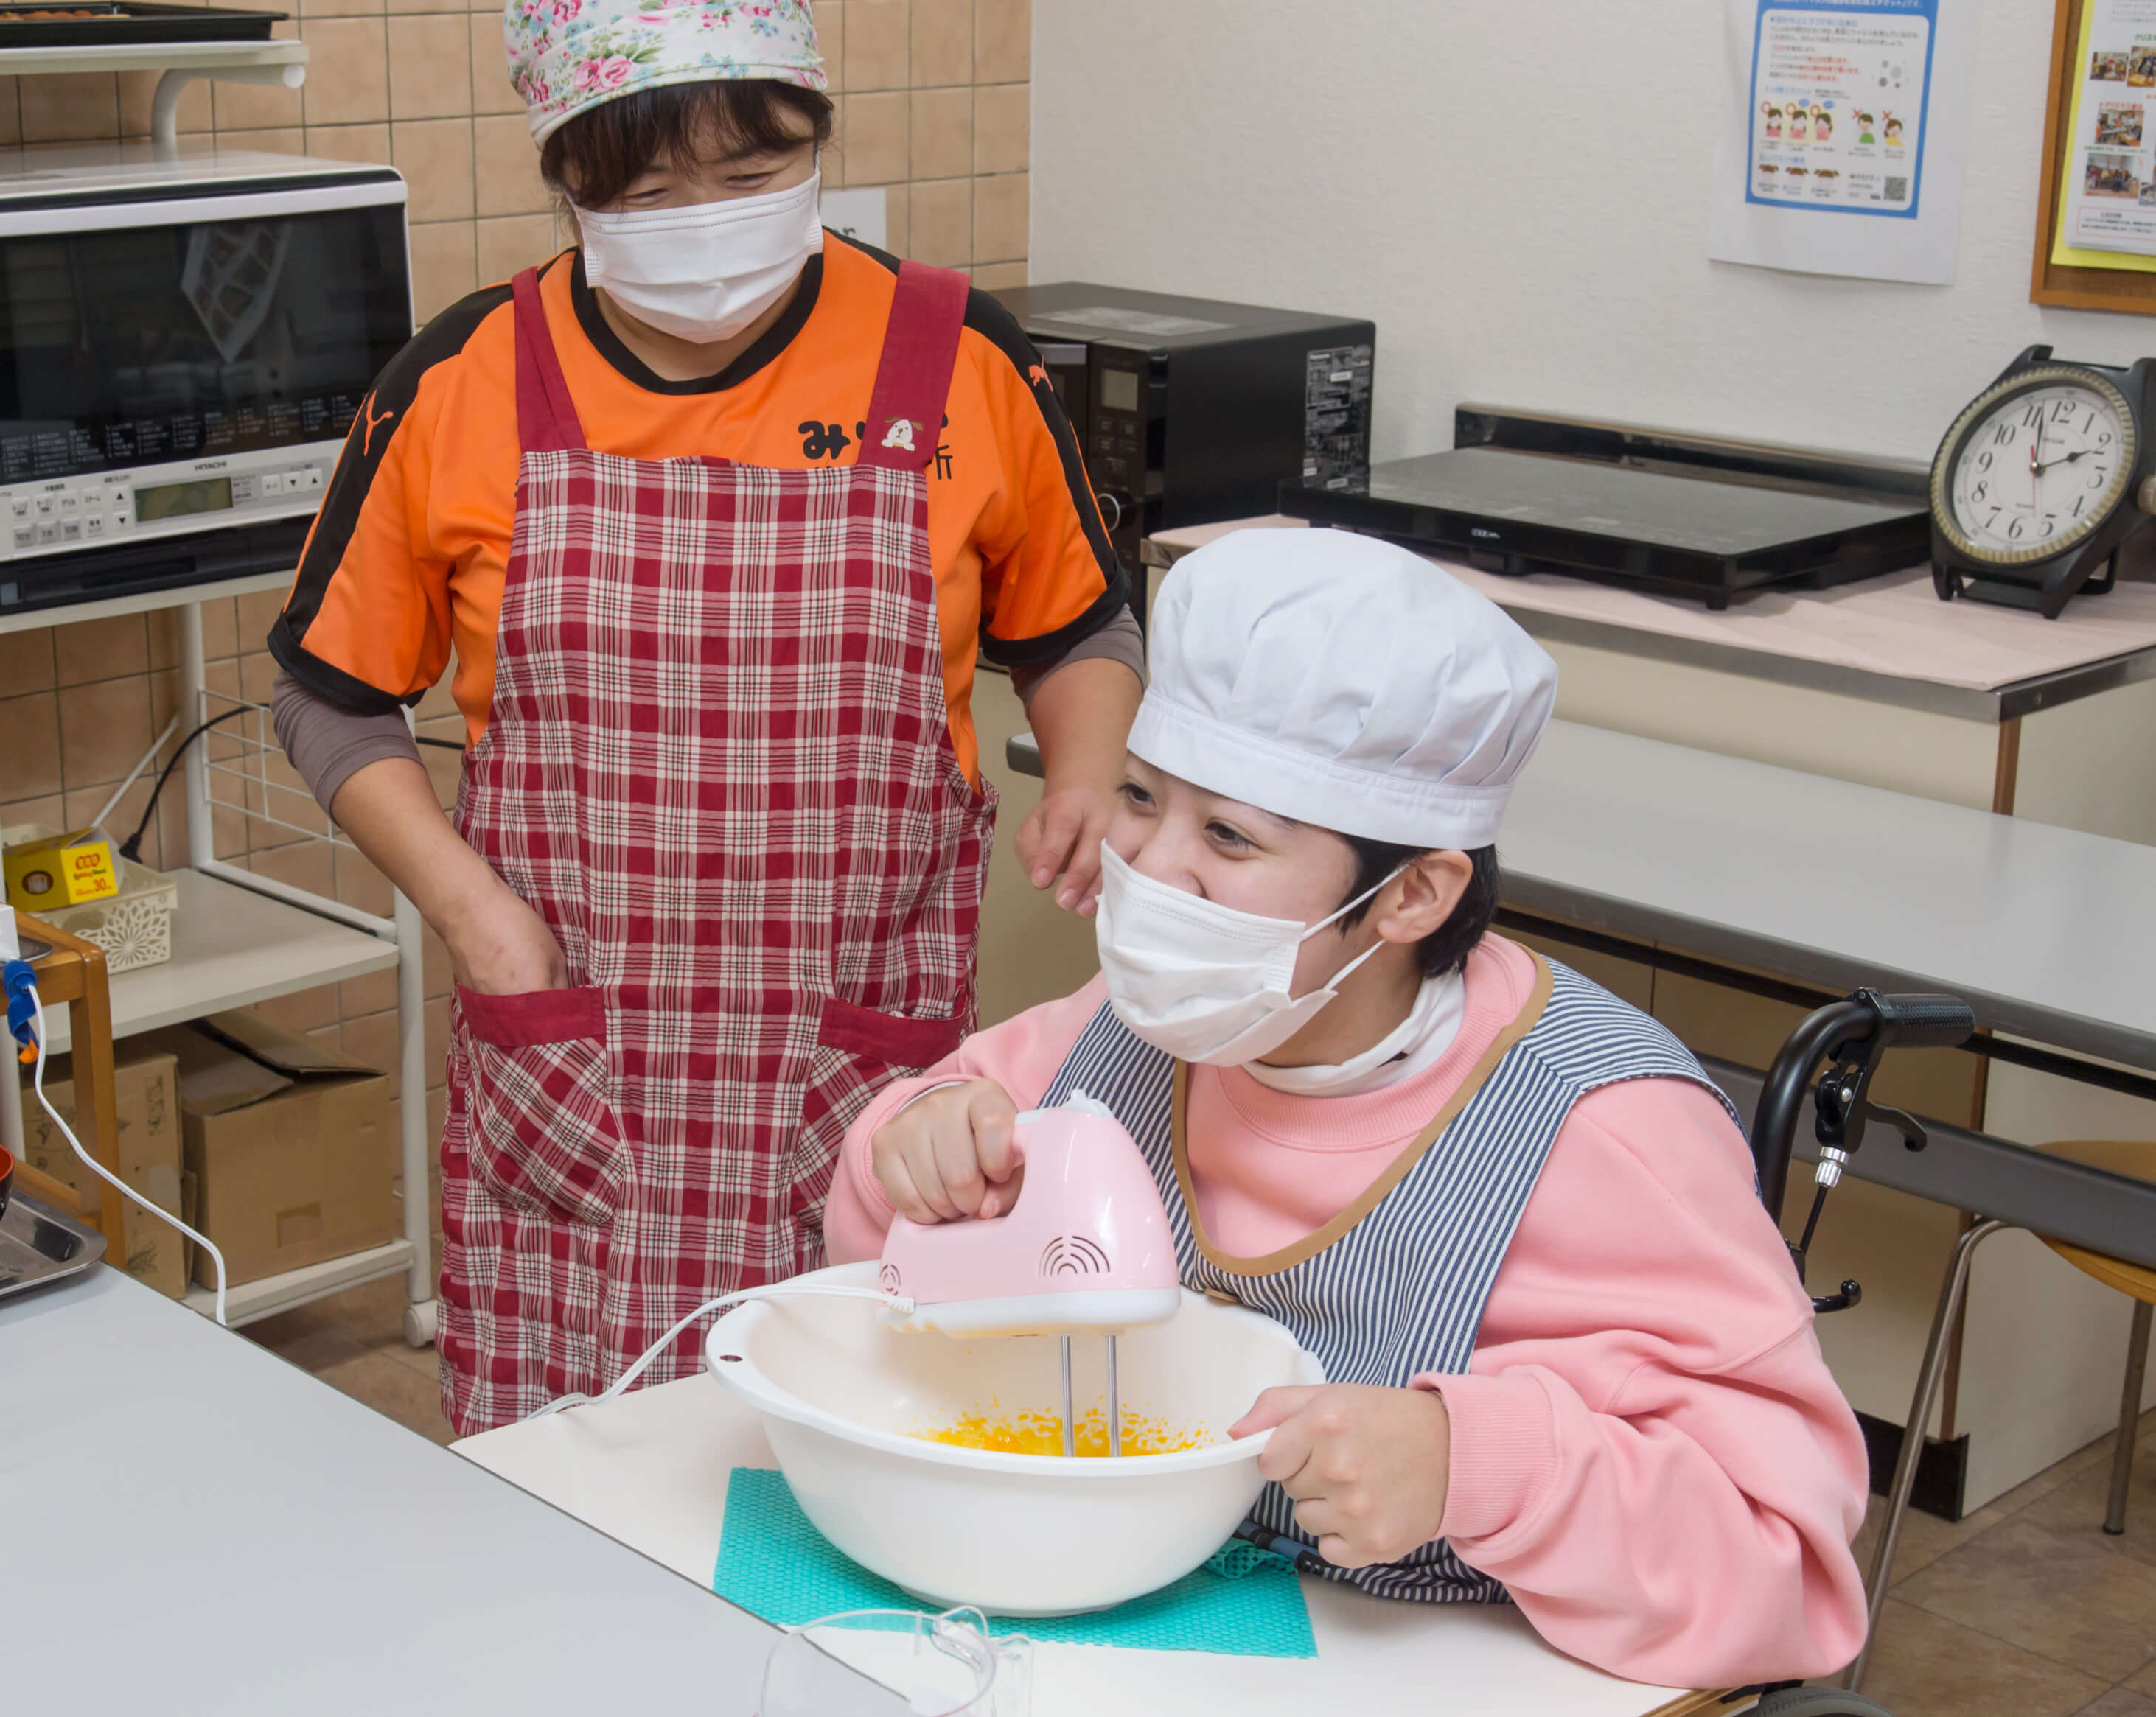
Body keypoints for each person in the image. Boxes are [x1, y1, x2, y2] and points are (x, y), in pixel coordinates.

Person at [267, 0, 1140, 1435]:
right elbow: (331, 698)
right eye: (646, 192)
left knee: (855, 1449)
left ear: (812, 140)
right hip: (572, 1036)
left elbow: (1077, 622)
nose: (704, 222)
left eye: (747, 175)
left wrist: (1092, 773)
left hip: (851, 1049)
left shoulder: (951, 357)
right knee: (572, 1480)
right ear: (566, 178)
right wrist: (478, 919)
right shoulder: (467, 374)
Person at [825, 531, 1871, 1688]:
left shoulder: (1601, 1130)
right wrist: (914, 1152)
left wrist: (1474, 1465)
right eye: (1139, 797)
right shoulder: (1126, 1030)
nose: (1150, 868)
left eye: (1228, 836)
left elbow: (1791, 1571)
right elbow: (878, 1275)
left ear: (1414, 892)